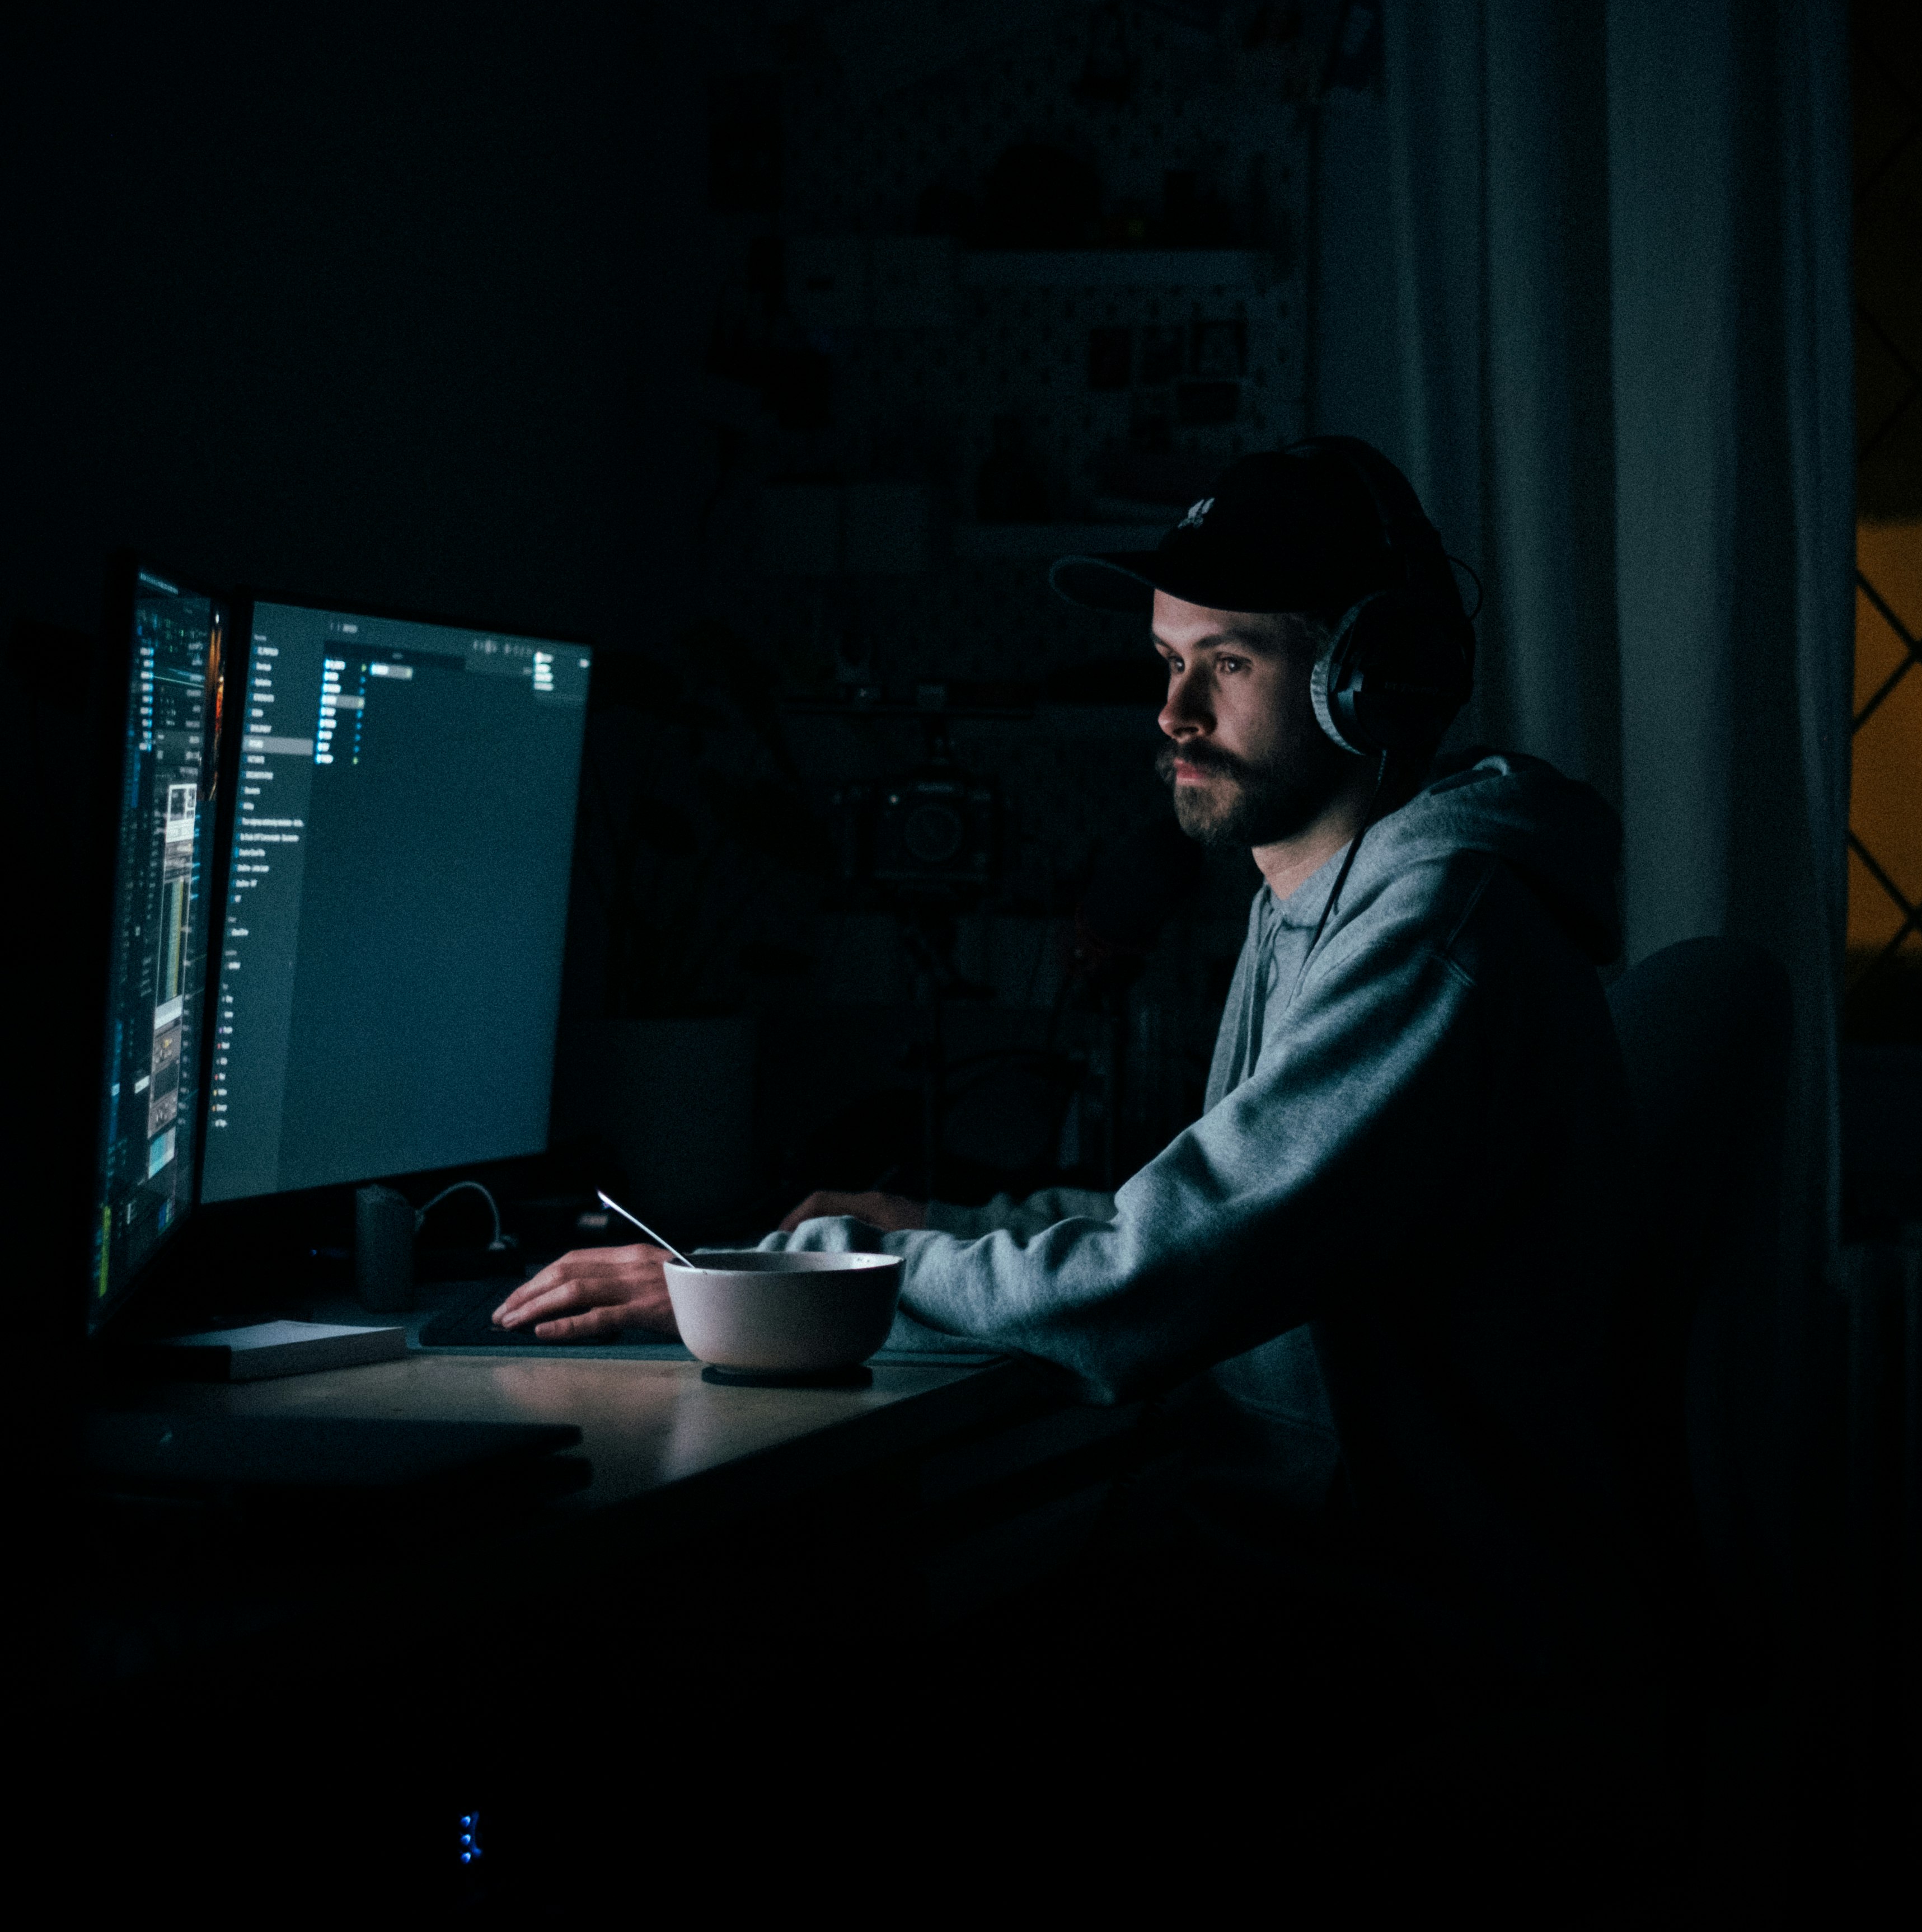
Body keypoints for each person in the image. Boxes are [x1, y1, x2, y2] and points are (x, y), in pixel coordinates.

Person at [494, 437, 1648, 1762]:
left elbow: (1156, 1282)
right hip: (1321, 1591)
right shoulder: (1325, 905)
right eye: (1168, 664)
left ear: (1371, 685)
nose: (1171, 715)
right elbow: (1216, 1206)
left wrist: (801, 1269)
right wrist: (932, 1220)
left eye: (1228, 661)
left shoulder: (1436, 933)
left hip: (1419, 1662)